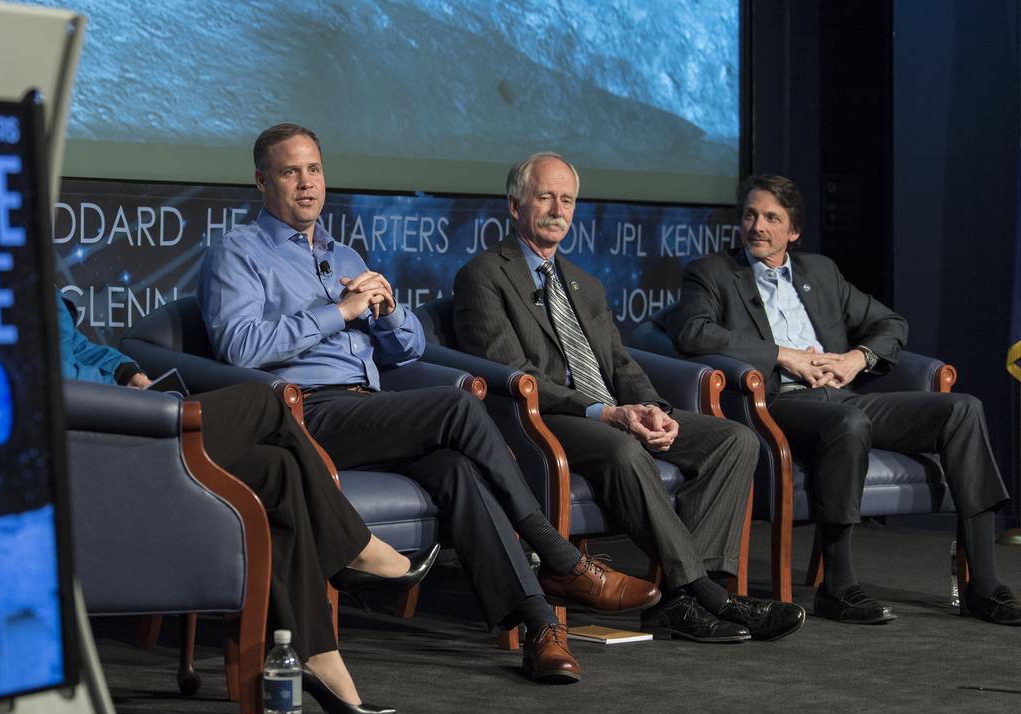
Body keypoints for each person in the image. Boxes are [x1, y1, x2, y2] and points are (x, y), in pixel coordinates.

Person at [197, 123, 662, 684]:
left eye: (314, 170)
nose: (306, 184)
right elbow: (240, 347)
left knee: (457, 468)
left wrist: (388, 310)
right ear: (260, 181)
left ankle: (541, 628)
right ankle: (557, 556)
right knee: (455, 406)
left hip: (368, 410)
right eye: (290, 171)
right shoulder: (237, 252)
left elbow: (409, 348)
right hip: (302, 416)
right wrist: (339, 312)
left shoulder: (343, 252)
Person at [453, 153, 804, 643]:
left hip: (613, 411)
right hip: (544, 420)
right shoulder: (484, 275)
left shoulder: (586, 284)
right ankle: (708, 595)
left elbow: (620, 365)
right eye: (545, 197)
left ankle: (678, 604)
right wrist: (606, 412)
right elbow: (514, 373)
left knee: (735, 440)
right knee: (621, 447)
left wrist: (653, 411)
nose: (558, 208)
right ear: (515, 205)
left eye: (567, 199)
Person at [668, 173, 1021, 626]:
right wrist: (784, 356)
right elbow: (692, 331)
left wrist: (858, 358)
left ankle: (984, 585)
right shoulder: (713, 272)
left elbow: (891, 324)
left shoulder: (820, 272)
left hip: (842, 392)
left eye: (771, 218)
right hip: (779, 403)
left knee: (963, 409)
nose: (758, 226)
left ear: (793, 231)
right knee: (849, 425)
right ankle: (838, 585)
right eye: (751, 215)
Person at [57, 292, 428, 714]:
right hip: (94, 440)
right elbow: (43, 376)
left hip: (133, 416)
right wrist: (122, 395)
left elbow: (75, 346)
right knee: (262, 401)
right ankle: (356, 550)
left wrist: (127, 373)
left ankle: (317, 656)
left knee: (278, 469)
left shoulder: (32, 283)